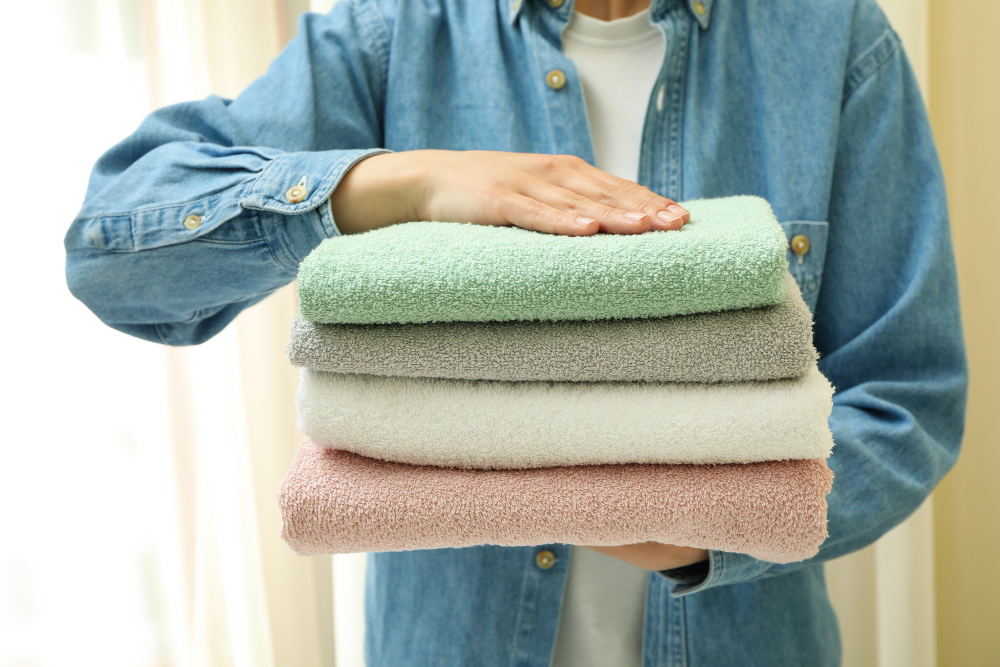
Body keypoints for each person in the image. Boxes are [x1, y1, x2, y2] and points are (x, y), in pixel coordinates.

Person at [63, 0, 969, 664]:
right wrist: (400, 184)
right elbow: (110, 249)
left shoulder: (833, 38)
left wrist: (709, 532)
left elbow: (907, 393)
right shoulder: (392, 34)